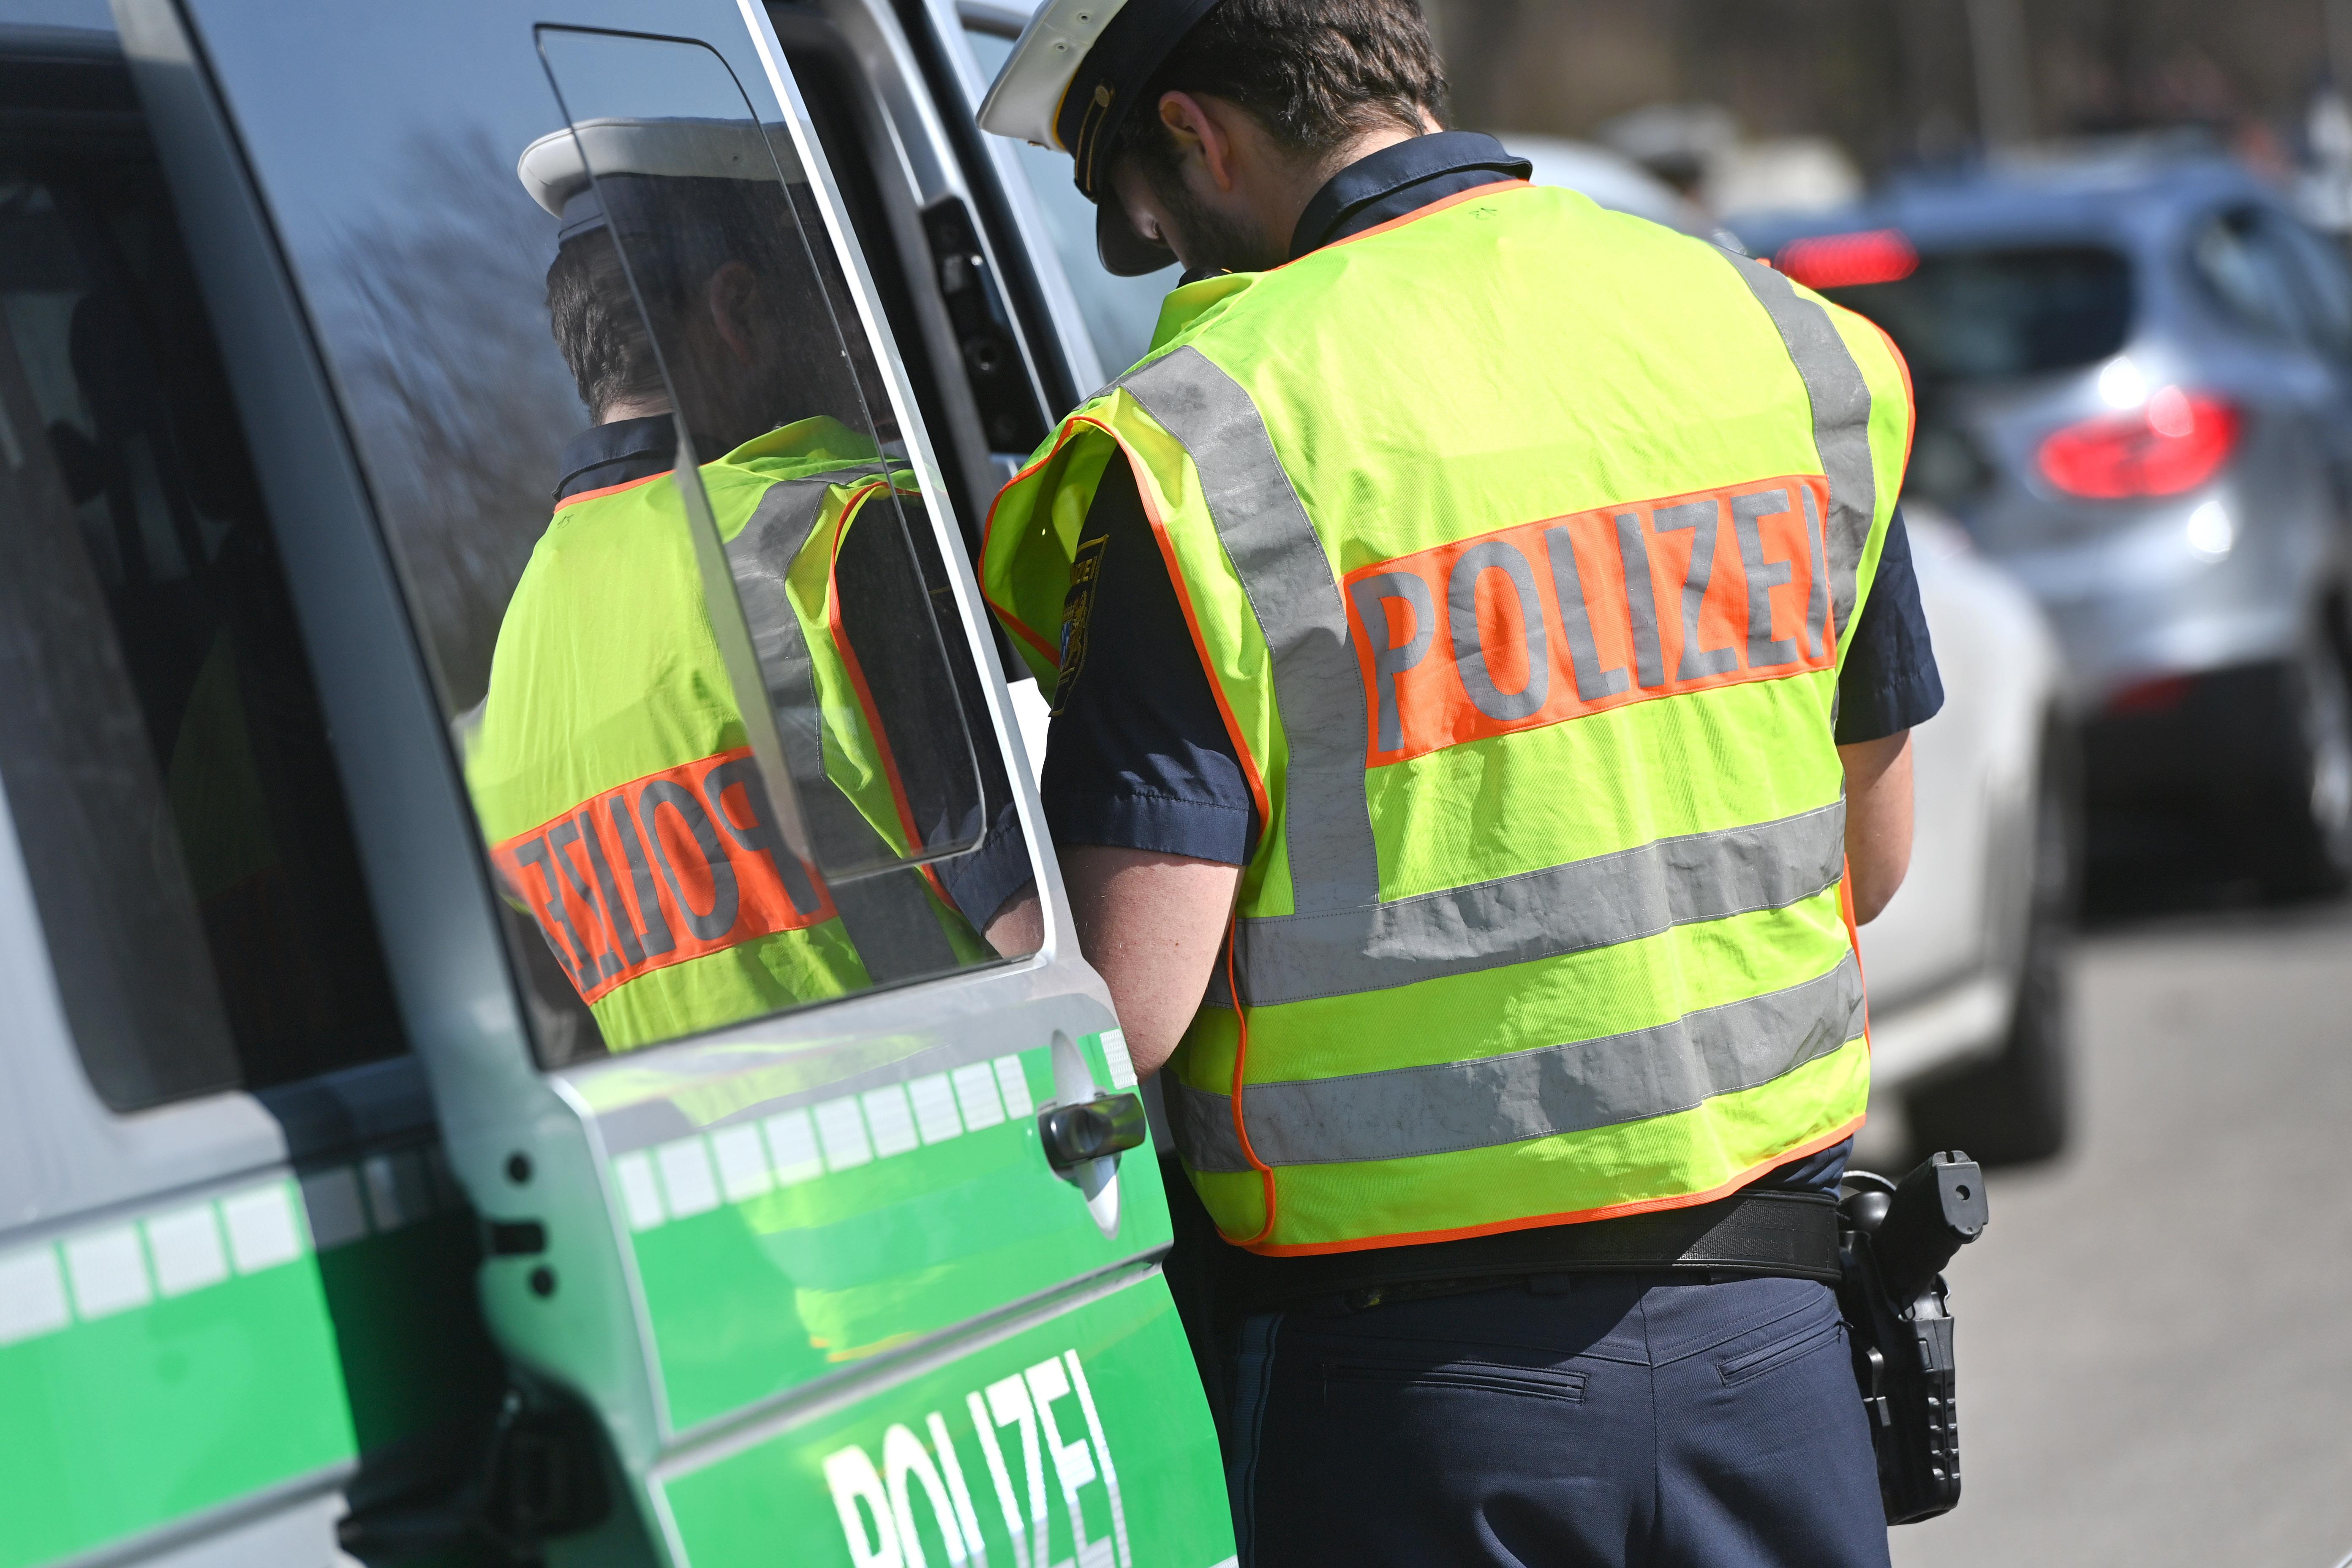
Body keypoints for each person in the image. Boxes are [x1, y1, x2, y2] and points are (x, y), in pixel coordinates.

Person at [975, 3, 1940, 1564]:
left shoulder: (1203, 439)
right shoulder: (1781, 339)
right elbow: (1867, 857)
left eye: (1144, 219)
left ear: (1196, 135)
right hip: (1770, 1343)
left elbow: (1127, 1004)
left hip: (1413, 1393)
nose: (1161, 257)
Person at [466, 117, 1037, 1054]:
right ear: (739, 311)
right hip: (970, 1157)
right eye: (837, 305)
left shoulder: (516, 660)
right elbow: (1052, 947)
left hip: (727, 1190)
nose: (860, 341)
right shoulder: (835, 536)